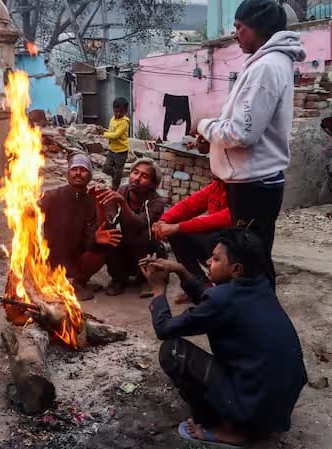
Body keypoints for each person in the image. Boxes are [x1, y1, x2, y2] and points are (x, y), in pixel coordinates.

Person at [140, 227, 307, 446]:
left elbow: (164, 329)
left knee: (172, 351)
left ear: (236, 269)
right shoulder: (259, 285)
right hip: (277, 405)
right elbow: (212, 301)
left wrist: (158, 290)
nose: (208, 261)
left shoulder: (223, 299)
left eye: (216, 259)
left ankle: (228, 429)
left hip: (253, 410)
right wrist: (182, 272)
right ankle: (250, 418)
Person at [193, 0, 306, 290]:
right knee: (250, 255)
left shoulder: (267, 67)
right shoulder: (266, 63)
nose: (236, 34)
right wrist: (214, 140)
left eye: (239, 27)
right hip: (251, 181)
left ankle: (262, 319)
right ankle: (254, 315)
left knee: (251, 259)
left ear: (258, 28)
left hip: (254, 185)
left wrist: (204, 125)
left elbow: (242, 133)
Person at [40, 153, 122, 301]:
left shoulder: (94, 199)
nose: (78, 173)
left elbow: (102, 229)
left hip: (80, 257)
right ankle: (57, 280)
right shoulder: (52, 196)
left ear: (90, 175)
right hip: (55, 257)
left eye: (83, 169)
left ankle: (79, 282)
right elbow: (30, 213)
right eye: (74, 169)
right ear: (67, 174)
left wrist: (97, 234)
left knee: (104, 246)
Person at [94, 157, 166, 298]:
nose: (137, 178)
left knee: (143, 235)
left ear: (153, 184)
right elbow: (111, 220)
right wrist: (100, 203)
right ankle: (118, 278)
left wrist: (122, 203)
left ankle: (145, 278)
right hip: (127, 244)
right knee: (112, 236)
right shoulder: (123, 190)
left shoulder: (157, 202)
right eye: (135, 172)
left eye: (144, 176)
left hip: (146, 246)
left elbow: (138, 224)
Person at [152, 177, 231, 283]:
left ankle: (223, 287)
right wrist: (164, 221)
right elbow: (188, 205)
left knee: (213, 239)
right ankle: (197, 282)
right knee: (176, 233)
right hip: (214, 242)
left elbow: (222, 218)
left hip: (232, 246)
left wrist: (178, 227)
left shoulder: (244, 189)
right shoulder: (217, 186)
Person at [98, 97, 131, 190]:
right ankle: (113, 179)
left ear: (125, 112)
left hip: (121, 151)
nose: (118, 114)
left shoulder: (124, 122)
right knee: (106, 168)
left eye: (120, 112)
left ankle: (115, 188)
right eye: (116, 112)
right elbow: (111, 131)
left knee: (118, 171)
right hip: (112, 149)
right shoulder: (113, 119)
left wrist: (103, 134)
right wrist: (105, 131)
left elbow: (116, 135)